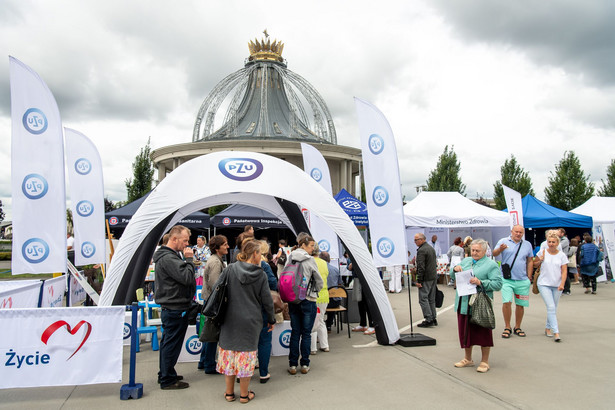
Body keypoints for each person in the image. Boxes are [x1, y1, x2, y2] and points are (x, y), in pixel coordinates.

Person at [216, 239, 275, 403]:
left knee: (229, 354)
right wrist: (270, 319)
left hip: (229, 319)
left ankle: (229, 393)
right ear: (255, 254)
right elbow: (267, 300)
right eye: (260, 254)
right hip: (251, 321)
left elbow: (218, 289)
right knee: (246, 357)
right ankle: (244, 394)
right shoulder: (260, 274)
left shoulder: (230, 269)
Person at [153, 225, 196, 390]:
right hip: (175, 306)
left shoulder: (169, 256)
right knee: (171, 344)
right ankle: (167, 379)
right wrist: (189, 261)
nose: (187, 244)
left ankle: (166, 373)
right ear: (174, 238)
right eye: (185, 240)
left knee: (168, 343)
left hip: (173, 305)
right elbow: (186, 277)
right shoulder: (168, 258)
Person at [451, 239, 503, 373]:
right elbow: (453, 275)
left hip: (480, 304)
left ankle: (485, 361)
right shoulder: (466, 261)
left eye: (477, 251)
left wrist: (481, 282)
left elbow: (497, 284)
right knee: (465, 332)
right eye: (472, 250)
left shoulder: (491, 265)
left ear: (485, 251)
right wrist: (454, 269)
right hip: (463, 303)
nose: (474, 253)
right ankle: (467, 358)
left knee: (483, 332)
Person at [287, 232, 323, 375]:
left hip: (293, 299)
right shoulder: (310, 260)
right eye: (311, 246)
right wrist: (316, 290)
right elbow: (319, 280)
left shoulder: (291, 257)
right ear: (304, 245)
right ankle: (305, 364)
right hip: (308, 299)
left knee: (295, 332)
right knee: (306, 333)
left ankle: (292, 365)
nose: (312, 249)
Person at [492, 225, 534, 339]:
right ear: (512, 231)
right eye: (516, 232)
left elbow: (530, 261)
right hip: (506, 279)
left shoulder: (527, 244)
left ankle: (517, 326)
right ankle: (507, 326)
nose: (518, 234)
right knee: (507, 302)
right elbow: (494, 253)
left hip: (522, 279)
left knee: (520, 305)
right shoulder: (503, 241)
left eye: (521, 232)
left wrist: (529, 276)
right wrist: (500, 249)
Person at [198, 235, 229, 374]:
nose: (227, 246)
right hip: (213, 302)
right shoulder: (216, 262)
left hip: (209, 300)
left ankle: (204, 360)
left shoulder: (215, 260)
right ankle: (209, 364)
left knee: (208, 331)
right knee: (211, 333)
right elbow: (217, 285)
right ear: (217, 248)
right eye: (225, 244)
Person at [534, 231, 567, 342]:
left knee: (553, 307)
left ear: (557, 243)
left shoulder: (562, 255)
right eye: (549, 242)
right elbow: (534, 264)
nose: (551, 244)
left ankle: (548, 327)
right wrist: (540, 261)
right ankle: (556, 332)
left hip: (557, 284)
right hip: (544, 283)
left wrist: (562, 283)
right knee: (551, 307)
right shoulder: (542, 252)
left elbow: (564, 271)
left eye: (553, 242)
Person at [257, 240, 278, 383]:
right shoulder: (263, 266)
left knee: (247, 342)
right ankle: (263, 373)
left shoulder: (237, 266)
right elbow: (273, 283)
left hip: (244, 309)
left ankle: (243, 373)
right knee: (264, 341)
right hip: (262, 307)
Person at [415, 233, 438, 327]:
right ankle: (433, 317)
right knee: (431, 299)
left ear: (422, 239)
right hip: (433, 276)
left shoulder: (422, 250)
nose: (415, 242)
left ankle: (429, 319)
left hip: (426, 278)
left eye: (416, 240)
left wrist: (419, 280)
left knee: (423, 299)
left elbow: (421, 267)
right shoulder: (430, 248)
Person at [311, 248, 329, 353]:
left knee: (313, 322)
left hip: (313, 295)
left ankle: (313, 348)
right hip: (324, 295)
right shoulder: (324, 263)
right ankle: (325, 345)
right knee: (321, 320)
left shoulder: (309, 261)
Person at [320, 251, 343, 332]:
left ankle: (322, 324)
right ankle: (329, 324)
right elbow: (340, 284)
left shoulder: (318, 270)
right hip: (335, 301)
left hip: (323, 300)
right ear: (329, 259)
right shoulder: (335, 270)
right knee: (333, 297)